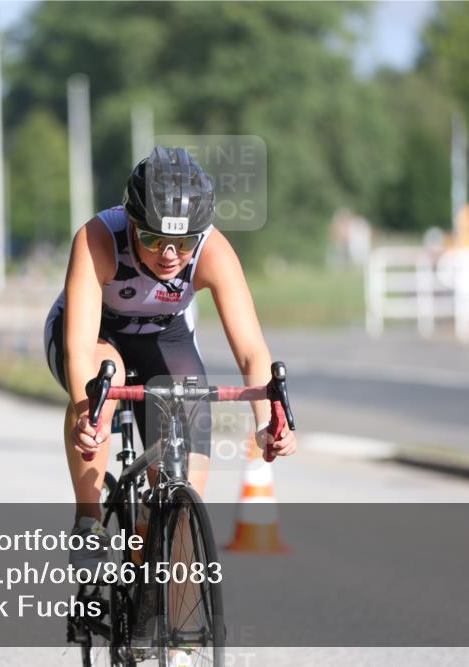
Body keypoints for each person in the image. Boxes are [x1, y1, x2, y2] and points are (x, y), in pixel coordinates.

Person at [43, 146, 297, 570]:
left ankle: (156, 583)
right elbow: (80, 349)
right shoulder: (97, 239)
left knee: (179, 497)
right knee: (105, 382)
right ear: (131, 224)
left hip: (165, 336)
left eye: (182, 244)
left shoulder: (213, 250)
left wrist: (267, 420)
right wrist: (91, 417)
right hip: (98, 334)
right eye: (152, 238)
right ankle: (88, 520)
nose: (168, 255)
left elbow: (252, 351)